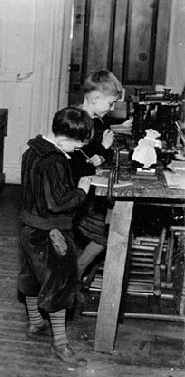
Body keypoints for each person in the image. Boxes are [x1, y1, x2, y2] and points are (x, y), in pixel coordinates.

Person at [18, 107, 94, 366]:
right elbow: (57, 202)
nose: (78, 149)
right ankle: (61, 344)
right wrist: (82, 192)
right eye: (77, 144)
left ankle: (35, 322)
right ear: (62, 140)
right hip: (52, 232)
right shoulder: (56, 160)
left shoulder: (32, 150)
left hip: (29, 228)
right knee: (60, 281)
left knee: (32, 276)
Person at [68, 70, 123, 281]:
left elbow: (95, 154)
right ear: (95, 98)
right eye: (110, 103)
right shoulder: (75, 120)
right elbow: (79, 159)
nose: (112, 108)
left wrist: (102, 153)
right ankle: (77, 271)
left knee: (104, 231)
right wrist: (104, 150)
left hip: (89, 184)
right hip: (76, 187)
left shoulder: (99, 121)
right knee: (105, 234)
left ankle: (79, 271)